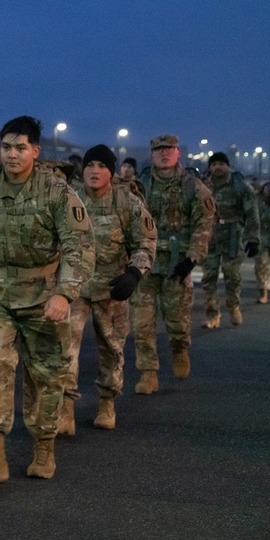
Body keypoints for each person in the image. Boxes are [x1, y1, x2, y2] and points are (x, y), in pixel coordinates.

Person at [0, 115, 94, 483]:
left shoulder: (57, 192)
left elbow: (80, 245)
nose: (12, 155)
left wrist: (65, 293)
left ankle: (43, 448)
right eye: (6, 147)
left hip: (45, 297)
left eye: (20, 148)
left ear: (35, 150)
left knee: (45, 377)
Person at [60, 145, 156, 433]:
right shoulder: (68, 197)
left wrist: (135, 272)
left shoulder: (126, 201)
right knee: (64, 349)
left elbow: (146, 240)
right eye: (90, 165)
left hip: (112, 287)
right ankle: (65, 408)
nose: (94, 170)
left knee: (112, 349)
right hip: (72, 287)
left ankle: (106, 402)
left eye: (102, 166)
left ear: (111, 173)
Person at [131, 135, 215, 393]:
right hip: (144, 263)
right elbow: (126, 218)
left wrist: (192, 259)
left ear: (178, 153)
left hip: (177, 264)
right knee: (142, 323)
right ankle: (148, 373)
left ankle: (179, 348)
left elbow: (203, 225)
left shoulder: (193, 187)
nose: (164, 153)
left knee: (177, 320)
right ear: (152, 154)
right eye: (159, 150)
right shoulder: (139, 184)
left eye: (169, 149)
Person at [200, 152, 260, 328]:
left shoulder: (240, 186)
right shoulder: (202, 186)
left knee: (232, 276)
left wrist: (253, 238)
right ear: (210, 167)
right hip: (209, 236)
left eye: (221, 164)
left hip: (233, 234)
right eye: (214, 164)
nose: (217, 167)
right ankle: (212, 315)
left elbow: (252, 213)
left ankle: (233, 306)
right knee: (208, 277)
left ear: (227, 166)